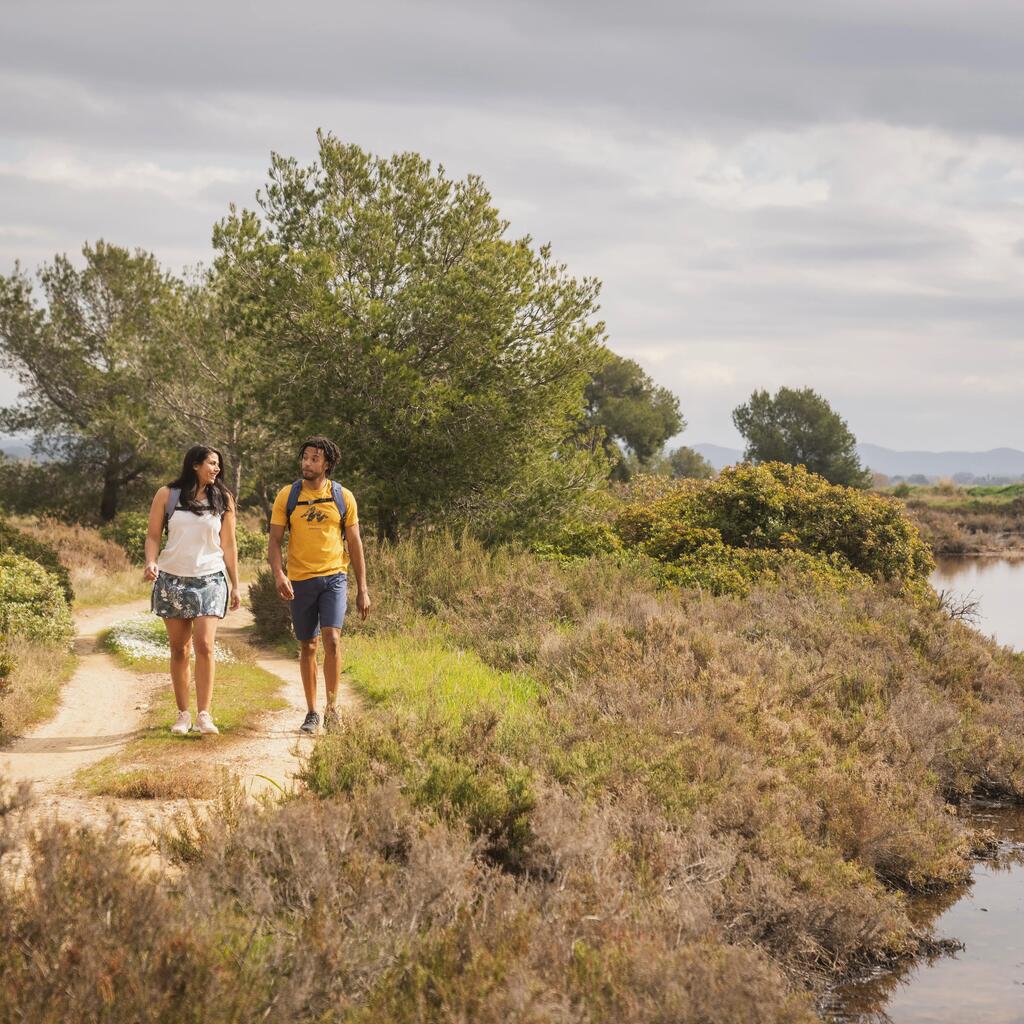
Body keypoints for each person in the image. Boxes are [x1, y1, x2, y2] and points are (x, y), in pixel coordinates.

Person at [268, 435, 370, 734]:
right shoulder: (287, 496)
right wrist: (279, 574)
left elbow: (355, 543)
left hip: (335, 577)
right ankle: (312, 712)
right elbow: (274, 541)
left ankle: (333, 708)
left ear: (327, 464)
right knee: (308, 644)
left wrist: (362, 588)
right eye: (305, 457)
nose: (307, 463)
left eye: (314, 458)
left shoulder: (343, 496)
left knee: (333, 640)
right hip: (299, 580)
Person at [143, 445, 241, 736]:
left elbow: (229, 545)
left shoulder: (223, 499)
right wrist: (151, 561)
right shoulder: (167, 495)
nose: (217, 469)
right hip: (172, 579)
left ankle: (204, 715)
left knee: (205, 646)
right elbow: (152, 535)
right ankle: (183, 714)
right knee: (179, 649)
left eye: (218, 464)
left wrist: (235, 584)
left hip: (210, 579)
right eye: (212, 463)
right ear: (195, 464)